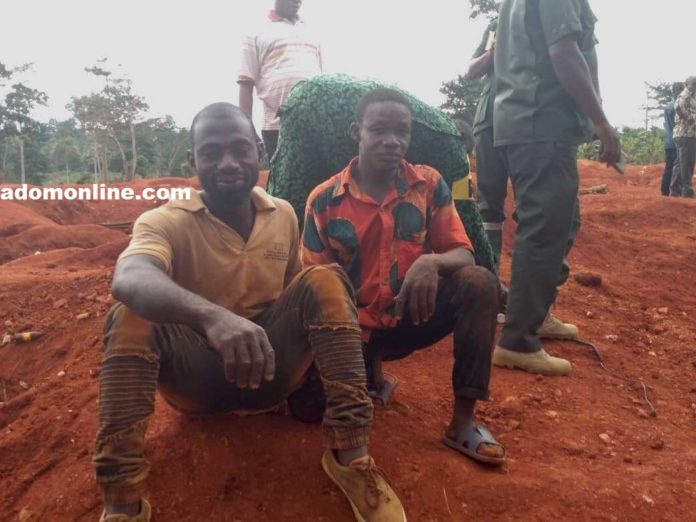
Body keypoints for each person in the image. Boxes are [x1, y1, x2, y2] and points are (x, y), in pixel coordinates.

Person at [93, 103, 405, 522]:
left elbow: (300, 296)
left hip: (270, 373)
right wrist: (213, 318)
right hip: (197, 378)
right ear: (193, 161)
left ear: (260, 151)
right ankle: (122, 502)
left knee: (324, 279)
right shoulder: (163, 221)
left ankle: (352, 458)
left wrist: (319, 367)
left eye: (241, 149)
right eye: (211, 152)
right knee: (130, 312)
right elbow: (130, 276)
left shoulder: (284, 214)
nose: (228, 163)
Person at [302, 89, 506, 467]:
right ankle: (368, 371)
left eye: (402, 132)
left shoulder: (428, 184)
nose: (392, 141)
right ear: (355, 132)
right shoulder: (323, 200)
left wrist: (431, 264)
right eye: (378, 130)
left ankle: (463, 422)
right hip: (349, 332)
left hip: (411, 314)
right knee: (305, 410)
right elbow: (313, 286)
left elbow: (463, 252)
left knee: (480, 282)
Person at [491, 0, 621, 376]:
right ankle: (518, 341)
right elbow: (564, 52)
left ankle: (536, 314)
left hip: (528, 124)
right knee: (545, 230)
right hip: (541, 123)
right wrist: (601, 121)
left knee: (560, 221)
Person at [238, 0, 323, 159]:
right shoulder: (255, 31)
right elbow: (245, 83)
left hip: (315, 126)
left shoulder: (311, 31)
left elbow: (322, 79)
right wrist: (246, 130)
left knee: (320, 181)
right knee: (284, 181)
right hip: (277, 128)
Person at [466, 18, 508, 272]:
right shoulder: (496, 23)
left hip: (531, 122)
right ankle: (490, 281)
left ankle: (531, 303)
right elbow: (472, 70)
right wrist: (494, 52)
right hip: (489, 121)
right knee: (488, 206)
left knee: (533, 208)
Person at [670, 77, 696, 198]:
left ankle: (674, 190)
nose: (695, 86)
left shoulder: (691, 96)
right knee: (687, 163)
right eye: (693, 84)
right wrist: (691, 120)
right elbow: (678, 107)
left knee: (680, 164)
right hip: (686, 134)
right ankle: (687, 191)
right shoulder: (685, 95)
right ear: (687, 84)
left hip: (684, 134)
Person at [661, 83, 684, 196]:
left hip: (669, 141)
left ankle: (665, 190)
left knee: (669, 166)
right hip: (677, 140)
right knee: (678, 167)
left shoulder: (668, 106)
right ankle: (674, 191)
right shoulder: (677, 106)